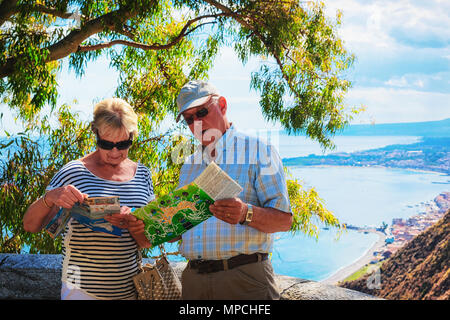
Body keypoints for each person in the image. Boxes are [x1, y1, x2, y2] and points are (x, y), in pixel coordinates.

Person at [23, 98, 154, 300]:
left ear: (132, 136)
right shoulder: (73, 171)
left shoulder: (143, 174)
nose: (114, 152)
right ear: (96, 134)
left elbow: (146, 242)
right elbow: (30, 225)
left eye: (123, 144)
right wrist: (50, 198)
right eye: (106, 144)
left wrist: (134, 224)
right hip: (80, 292)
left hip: (131, 291)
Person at [174, 80, 293, 300]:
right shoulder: (189, 165)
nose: (197, 123)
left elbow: (284, 221)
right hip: (193, 281)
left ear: (222, 106)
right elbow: (181, 227)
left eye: (202, 112)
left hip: (244, 280)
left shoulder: (259, 151)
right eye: (189, 119)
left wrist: (245, 213)